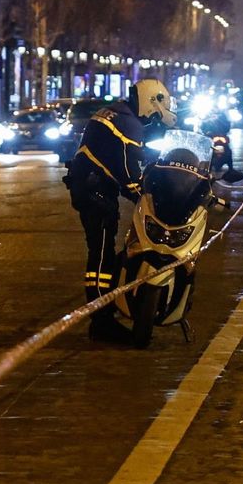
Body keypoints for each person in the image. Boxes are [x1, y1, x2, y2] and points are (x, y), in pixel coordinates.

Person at [63, 77, 178, 344]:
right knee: (101, 256)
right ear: (152, 102)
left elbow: (123, 157)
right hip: (95, 191)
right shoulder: (128, 123)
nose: (152, 123)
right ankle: (101, 320)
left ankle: (105, 311)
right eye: (154, 117)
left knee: (104, 252)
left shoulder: (119, 112)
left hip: (90, 185)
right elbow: (129, 171)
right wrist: (147, 198)